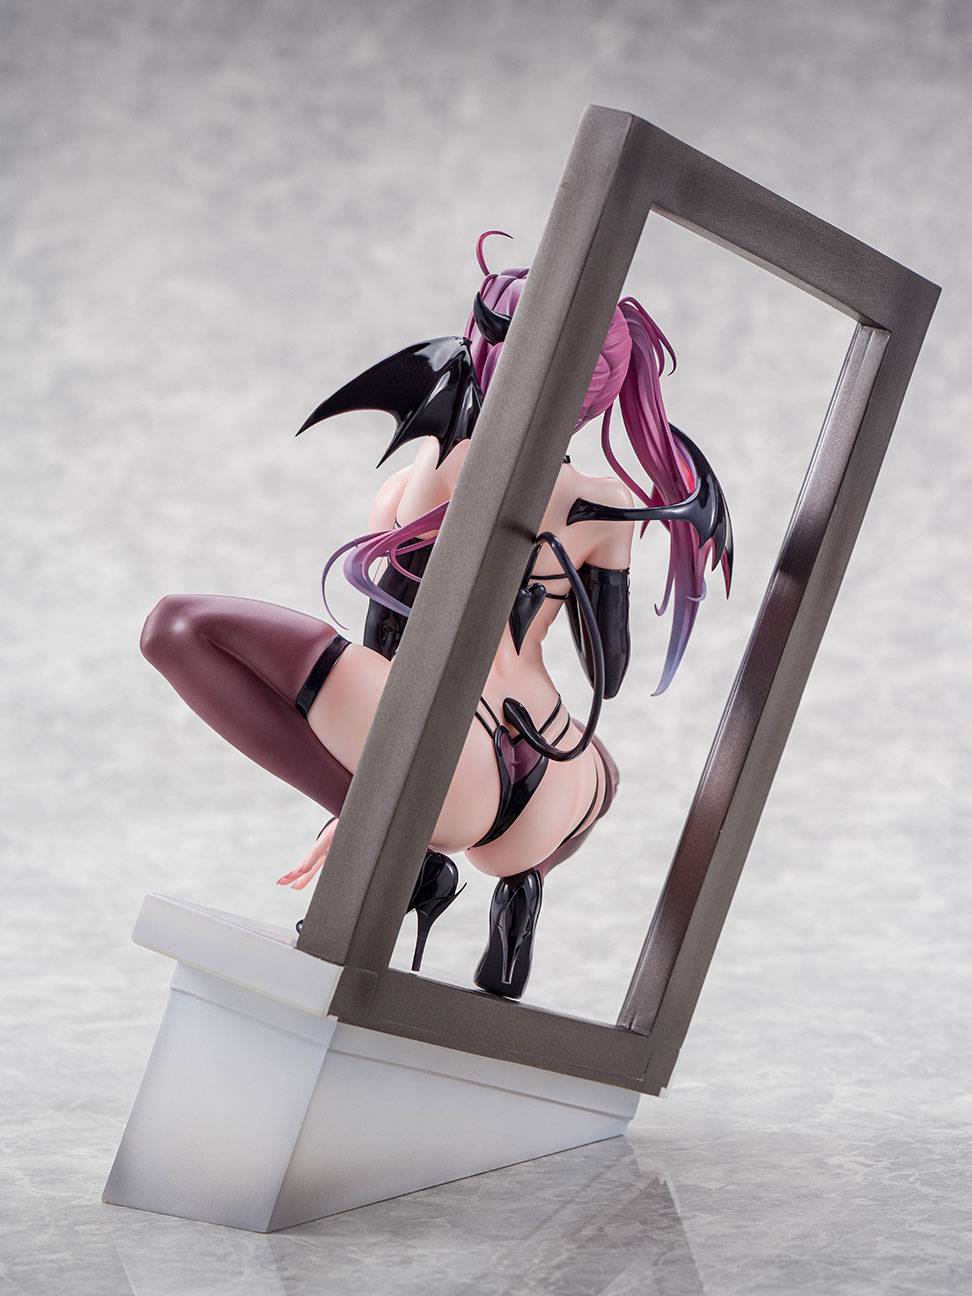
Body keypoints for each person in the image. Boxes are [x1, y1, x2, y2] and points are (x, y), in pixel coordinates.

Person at [140, 232, 732, 1000]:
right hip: (559, 778)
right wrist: (572, 565)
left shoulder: (448, 459)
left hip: (450, 755)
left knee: (177, 628)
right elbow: (608, 672)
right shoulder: (608, 500)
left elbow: (395, 612)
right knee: (596, 774)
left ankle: (393, 839)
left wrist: (361, 803)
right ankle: (520, 898)